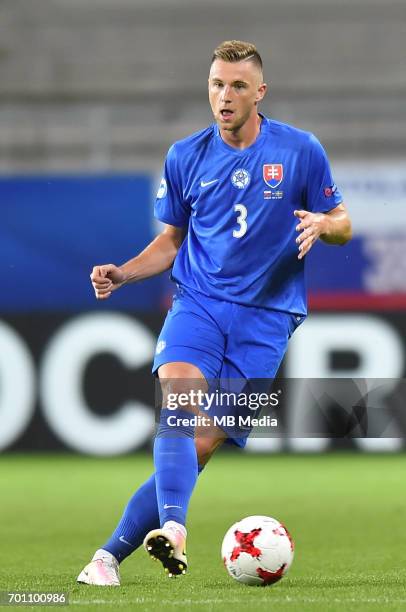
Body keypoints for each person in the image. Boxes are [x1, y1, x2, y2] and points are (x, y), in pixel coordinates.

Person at [77, 40, 351, 586]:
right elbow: (171, 240)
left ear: (260, 93)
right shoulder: (186, 155)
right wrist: (124, 272)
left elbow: (342, 219)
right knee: (178, 396)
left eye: (237, 86)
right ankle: (175, 529)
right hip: (199, 302)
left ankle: (106, 558)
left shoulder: (299, 150)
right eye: (216, 85)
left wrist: (324, 225)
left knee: (197, 445)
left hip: (267, 319)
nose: (224, 97)